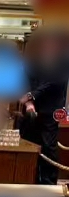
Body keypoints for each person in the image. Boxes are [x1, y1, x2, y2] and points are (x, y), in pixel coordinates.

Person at [22, 32, 69, 184]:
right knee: (31, 144)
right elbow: (26, 80)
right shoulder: (34, 60)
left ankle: (49, 181)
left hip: (52, 109)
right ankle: (32, 179)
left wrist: (32, 95)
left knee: (48, 145)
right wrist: (29, 102)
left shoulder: (64, 60)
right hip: (32, 109)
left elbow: (56, 83)